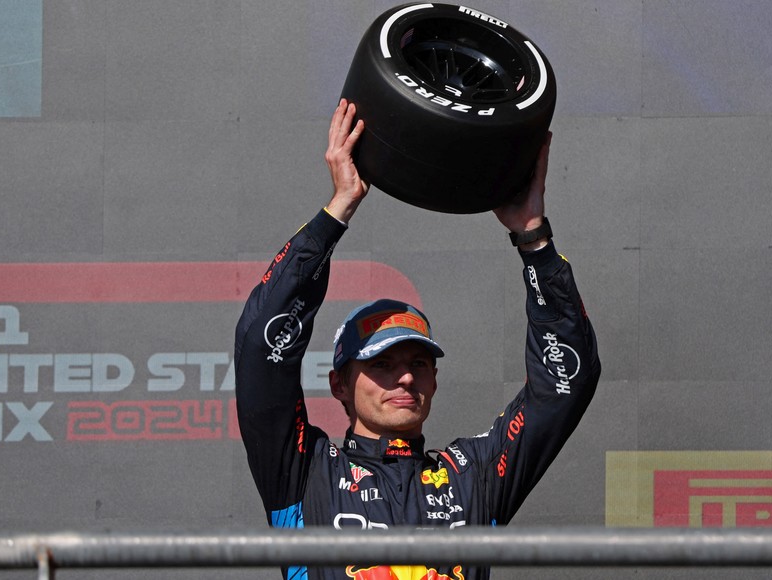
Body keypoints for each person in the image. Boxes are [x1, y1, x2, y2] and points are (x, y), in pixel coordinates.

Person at [234, 99, 600, 580]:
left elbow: (564, 386)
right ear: (340, 384)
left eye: (419, 363)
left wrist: (534, 239)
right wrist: (337, 210)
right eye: (382, 364)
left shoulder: (472, 475)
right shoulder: (304, 471)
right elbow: (261, 348)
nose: (406, 376)